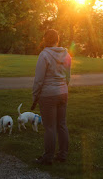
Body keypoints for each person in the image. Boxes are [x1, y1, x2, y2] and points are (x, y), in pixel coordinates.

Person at [31, 29, 71, 165]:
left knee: (50, 127)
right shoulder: (66, 54)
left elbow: (39, 80)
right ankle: (63, 155)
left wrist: (35, 95)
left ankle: (48, 158)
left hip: (48, 94)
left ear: (45, 39)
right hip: (63, 93)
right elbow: (68, 76)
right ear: (57, 39)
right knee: (62, 124)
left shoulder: (44, 55)